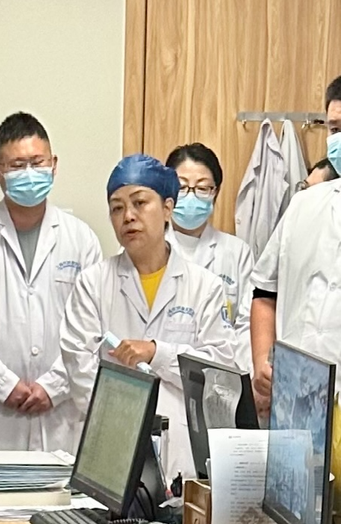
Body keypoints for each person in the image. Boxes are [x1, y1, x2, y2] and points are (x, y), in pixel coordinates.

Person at [61, 153, 237, 481]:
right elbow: (79, 368)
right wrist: (126, 424)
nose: (128, 216)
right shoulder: (92, 284)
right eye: (117, 208)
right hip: (110, 449)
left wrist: (158, 353)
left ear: (168, 208)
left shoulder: (205, 287)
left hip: (181, 452)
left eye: (140, 203)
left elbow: (220, 372)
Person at [0, 112, 102, 453]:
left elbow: (93, 329)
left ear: (54, 165)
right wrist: (3, 384)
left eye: (37, 162)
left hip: (60, 417)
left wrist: (54, 387)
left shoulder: (81, 240)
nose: (29, 173)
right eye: (16, 166)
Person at [250, 74, 341, 415]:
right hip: (297, 403)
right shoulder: (304, 204)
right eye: (334, 129)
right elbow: (264, 294)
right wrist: (262, 362)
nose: (338, 139)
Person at [164, 143, 255, 372]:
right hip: (161, 373)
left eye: (203, 188)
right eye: (182, 187)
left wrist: (237, 375)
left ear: (215, 192)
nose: (191, 196)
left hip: (222, 375)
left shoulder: (237, 253)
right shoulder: (147, 248)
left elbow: (246, 323)